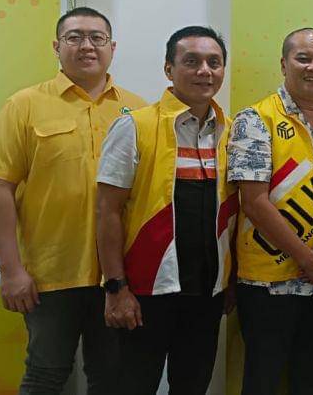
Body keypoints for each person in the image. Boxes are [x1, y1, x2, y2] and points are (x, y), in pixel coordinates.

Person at [0, 7, 146, 394]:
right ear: (57, 46)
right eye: (74, 37)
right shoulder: (24, 105)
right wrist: (11, 271)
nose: (87, 46)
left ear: (112, 47)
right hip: (49, 275)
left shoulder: (137, 111)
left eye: (97, 38)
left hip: (118, 277)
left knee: (113, 379)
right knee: (45, 376)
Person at [95, 26, 238, 394]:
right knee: (132, 387)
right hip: (145, 292)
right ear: (168, 69)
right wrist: (116, 288)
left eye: (214, 62)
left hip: (207, 294)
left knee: (192, 387)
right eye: (191, 61)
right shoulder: (134, 126)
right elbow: (107, 211)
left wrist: (229, 281)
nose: (204, 71)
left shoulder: (232, 133)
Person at [227, 27, 313, 394]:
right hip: (270, 284)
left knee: (312, 383)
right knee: (263, 382)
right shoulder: (255, 120)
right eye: (303, 58)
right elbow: (254, 202)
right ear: (284, 64)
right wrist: (306, 257)